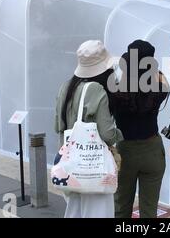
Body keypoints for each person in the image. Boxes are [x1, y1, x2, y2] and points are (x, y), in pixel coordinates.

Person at [54, 40, 123, 218]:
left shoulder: (65, 87)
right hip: (93, 168)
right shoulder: (97, 90)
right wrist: (119, 135)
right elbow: (107, 134)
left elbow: (58, 127)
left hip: (71, 166)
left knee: (74, 213)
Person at [113, 40, 169, 218]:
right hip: (152, 150)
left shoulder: (117, 93)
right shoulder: (157, 90)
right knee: (149, 210)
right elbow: (166, 84)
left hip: (125, 151)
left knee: (121, 206)